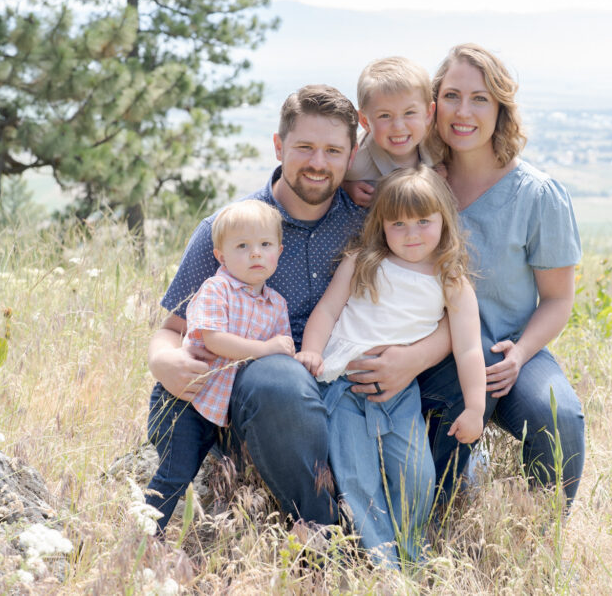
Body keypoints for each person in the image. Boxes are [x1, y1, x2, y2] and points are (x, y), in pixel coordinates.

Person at [147, 84, 453, 528]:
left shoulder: (369, 224)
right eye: (304, 147)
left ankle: (434, 512)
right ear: (278, 146)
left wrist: (414, 358)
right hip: (258, 398)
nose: (317, 163)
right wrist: (163, 361)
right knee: (280, 376)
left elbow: (440, 301)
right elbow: (172, 327)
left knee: (469, 369)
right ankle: (326, 531)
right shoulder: (232, 228)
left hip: (347, 383)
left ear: (352, 157)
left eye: (333, 150)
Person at [355, 44, 585, 506]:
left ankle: (540, 532)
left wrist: (520, 354)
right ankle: (432, 515)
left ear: (501, 109)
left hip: (505, 351)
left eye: (480, 99)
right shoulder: (412, 185)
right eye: (453, 96)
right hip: (418, 344)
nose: (464, 112)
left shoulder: (538, 196)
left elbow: (558, 300)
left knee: (556, 415)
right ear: (434, 106)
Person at [296, 166, 486, 567]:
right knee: (357, 476)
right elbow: (328, 310)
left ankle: (410, 553)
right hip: (342, 385)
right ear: (381, 225)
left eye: (423, 222)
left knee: (416, 476)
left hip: (400, 393)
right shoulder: (362, 261)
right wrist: (311, 351)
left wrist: (475, 408)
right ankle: (383, 566)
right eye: (398, 223)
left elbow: (469, 347)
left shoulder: (451, 278)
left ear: (443, 221)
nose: (412, 233)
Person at [145, 200, 294, 528]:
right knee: (175, 474)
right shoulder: (217, 289)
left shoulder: (276, 304)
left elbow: (280, 354)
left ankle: (177, 535)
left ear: (279, 251)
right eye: (242, 246)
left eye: (265, 245)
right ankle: (143, 538)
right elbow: (214, 339)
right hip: (184, 400)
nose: (255, 253)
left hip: (218, 410)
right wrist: (266, 348)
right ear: (221, 256)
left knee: (206, 477)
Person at [342, 56, 438, 208]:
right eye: (385, 116)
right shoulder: (353, 161)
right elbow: (325, 178)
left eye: (409, 113)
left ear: (428, 114)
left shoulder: (438, 148)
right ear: (365, 121)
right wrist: (345, 187)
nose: (398, 126)